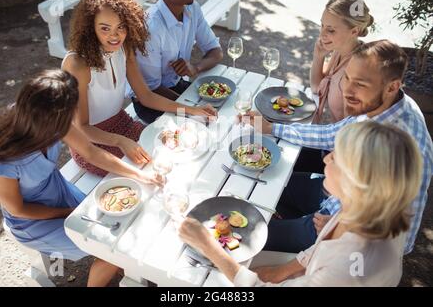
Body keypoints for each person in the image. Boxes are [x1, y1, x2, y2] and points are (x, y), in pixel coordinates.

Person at [239, 40, 433, 254]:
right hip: (333, 194)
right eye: (347, 78)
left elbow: (404, 241)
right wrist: (271, 127)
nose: (347, 90)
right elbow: (332, 134)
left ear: (392, 87)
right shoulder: (381, 105)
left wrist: (344, 229)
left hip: (336, 229)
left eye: (360, 84)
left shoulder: (409, 149)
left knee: (251, 233)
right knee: (269, 180)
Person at [179, 122, 422, 286]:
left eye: (335, 157)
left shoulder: (347, 266)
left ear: (357, 180)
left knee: (204, 275)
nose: (326, 158)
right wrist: (282, 271)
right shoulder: (375, 205)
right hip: (313, 270)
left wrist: (210, 246)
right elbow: (321, 251)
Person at [0, 70, 163, 287]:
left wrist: (140, 174)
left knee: (124, 222)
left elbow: (90, 151)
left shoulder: (45, 118)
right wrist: (68, 212)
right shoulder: (1, 166)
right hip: (32, 220)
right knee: (111, 252)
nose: (76, 115)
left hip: (60, 192)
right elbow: (19, 210)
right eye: (71, 111)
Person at [62, 0, 217, 176]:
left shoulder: (124, 49)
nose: (115, 36)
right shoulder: (76, 64)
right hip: (91, 143)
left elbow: (146, 96)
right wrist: (120, 141)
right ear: (90, 27)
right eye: (105, 28)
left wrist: (192, 109)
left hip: (122, 124)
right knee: (148, 170)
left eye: (121, 27)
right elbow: (82, 127)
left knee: (174, 152)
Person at [296, 0, 373, 173]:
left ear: (354, 31)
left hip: (341, 160)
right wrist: (318, 57)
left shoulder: (357, 71)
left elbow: (349, 134)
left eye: (330, 30)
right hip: (329, 145)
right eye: (322, 26)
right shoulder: (341, 50)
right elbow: (318, 87)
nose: (322, 34)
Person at [132, 0, 223, 123]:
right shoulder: (151, 28)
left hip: (176, 87)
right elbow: (150, 90)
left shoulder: (192, 9)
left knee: (221, 105)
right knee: (200, 125)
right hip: (150, 102)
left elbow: (216, 51)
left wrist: (195, 68)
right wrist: (193, 108)